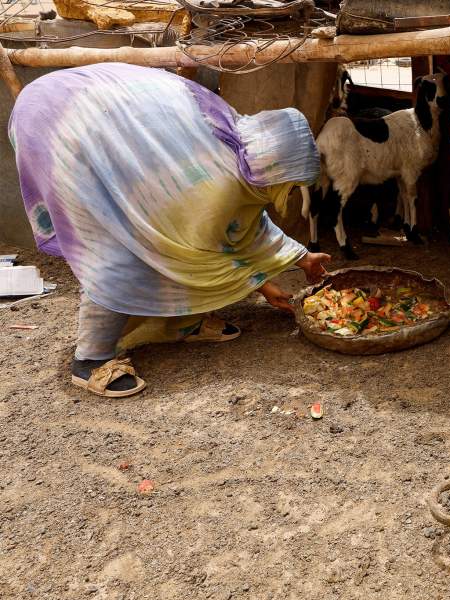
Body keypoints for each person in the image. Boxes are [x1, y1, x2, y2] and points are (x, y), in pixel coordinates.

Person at [9, 63, 330, 398]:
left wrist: (301, 258)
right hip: (60, 127)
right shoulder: (218, 183)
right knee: (119, 249)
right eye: (292, 185)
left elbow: (241, 226)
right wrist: (262, 282)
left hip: (89, 112)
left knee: (169, 242)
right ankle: (91, 360)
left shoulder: (241, 146)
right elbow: (209, 246)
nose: (291, 194)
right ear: (278, 170)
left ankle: (180, 322)